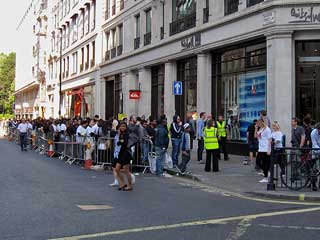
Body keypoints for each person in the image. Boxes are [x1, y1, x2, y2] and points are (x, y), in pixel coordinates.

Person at [114, 122, 133, 191]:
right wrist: (121, 141)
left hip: (126, 153)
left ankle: (130, 185)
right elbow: (119, 143)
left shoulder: (127, 134)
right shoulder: (121, 134)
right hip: (121, 153)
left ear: (126, 127)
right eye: (121, 126)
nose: (122, 127)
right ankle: (123, 183)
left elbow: (124, 143)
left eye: (124, 126)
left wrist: (121, 141)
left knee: (126, 170)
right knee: (117, 169)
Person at [255, 119, 272, 183]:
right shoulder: (260, 129)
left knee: (265, 163)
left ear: (262, 122)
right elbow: (256, 136)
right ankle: (267, 172)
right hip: (260, 149)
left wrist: (269, 150)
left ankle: (266, 177)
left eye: (258, 123)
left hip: (265, 149)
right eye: (257, 123)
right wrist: (256, 129)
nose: (258, 124)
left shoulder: (267, 129)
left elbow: (270, 139)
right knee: (258, 162)